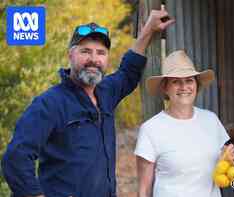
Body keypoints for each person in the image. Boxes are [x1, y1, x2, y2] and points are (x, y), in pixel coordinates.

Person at [1, 9, 174, 197]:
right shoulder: (50, 104)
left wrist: (148, 29)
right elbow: (16, 158)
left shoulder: (106, 92)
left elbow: (128, 71)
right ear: (70, 55)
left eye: (101, 53)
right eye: (85, 51)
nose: (94, 60)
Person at [134, 50, 234, 197]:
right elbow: (143, 190)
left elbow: (222, 166)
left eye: (189, 80)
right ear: (165, 88)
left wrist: (229, 157)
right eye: (176, 81)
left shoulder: (211, 120)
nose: (184, 87)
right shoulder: (151, 129)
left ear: (196, 84)